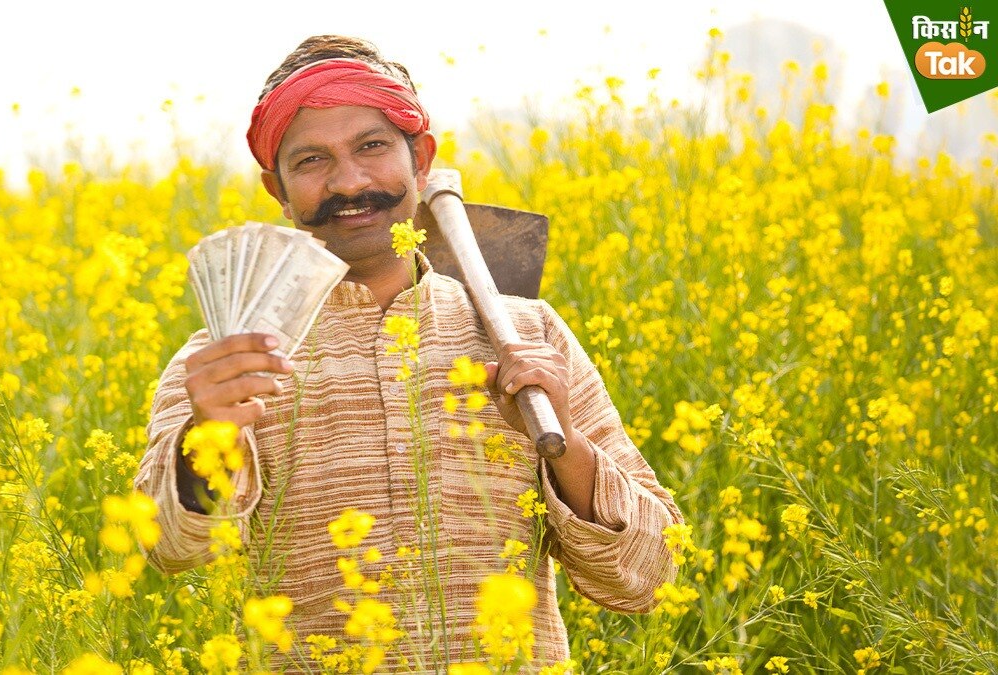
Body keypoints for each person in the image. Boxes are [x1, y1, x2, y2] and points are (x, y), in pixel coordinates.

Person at [135, 35, 683, 670]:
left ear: (421, 160)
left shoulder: (526, 332)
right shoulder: (222, 361)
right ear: (276, 190)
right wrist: (208, 436)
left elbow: (649, 575)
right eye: (311, 160)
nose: (350, 181)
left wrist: (567, 448)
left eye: (372, 147)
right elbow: (170, 548)